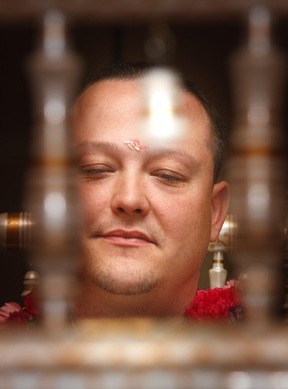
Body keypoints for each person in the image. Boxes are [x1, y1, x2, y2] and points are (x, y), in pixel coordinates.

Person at [72, 62, 230, 319]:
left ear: (214, 212)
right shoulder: (0, 344)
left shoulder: (268, 346)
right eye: (96, 168)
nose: (129, 199)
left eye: (167, 174)